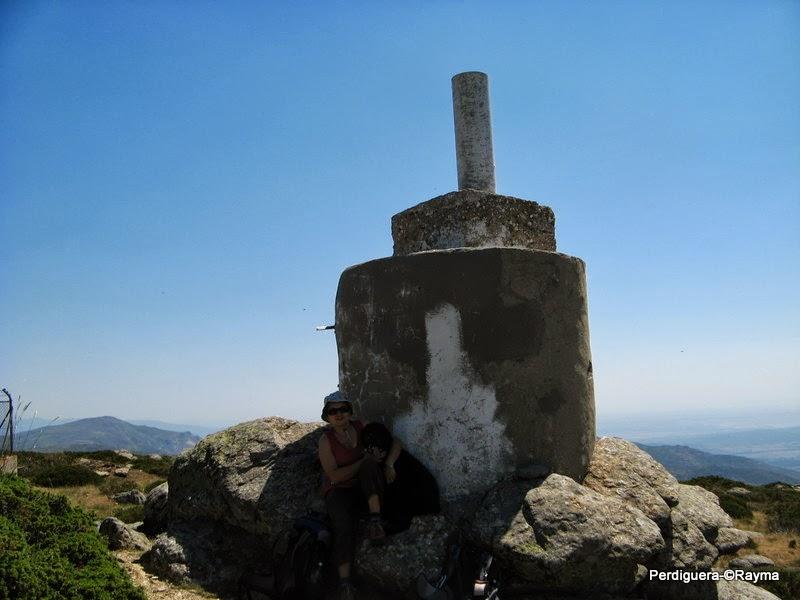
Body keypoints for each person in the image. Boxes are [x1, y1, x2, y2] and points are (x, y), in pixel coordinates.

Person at [318, 391, 401, 600]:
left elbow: (395, 442)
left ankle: (375, 522)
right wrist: (364, 460)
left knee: (371, 466)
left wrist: (389, 463)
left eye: (343, 409)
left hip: (364, 487)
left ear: (350, 412)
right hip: (339, 490)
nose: (339, 415)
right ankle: (345, 583)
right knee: (343, 526)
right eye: (333, 411)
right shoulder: (325, 441)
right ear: (327, 416)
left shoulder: (361, 427)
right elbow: (334, 476)